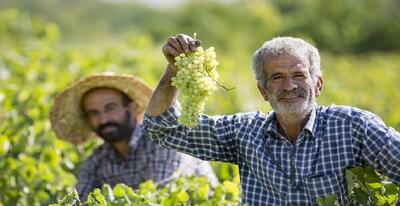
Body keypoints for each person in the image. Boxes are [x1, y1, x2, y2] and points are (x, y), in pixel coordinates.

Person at [143, 34, 400, 205]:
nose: (289, 86)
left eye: (299, 75)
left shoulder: (354, 127)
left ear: (318, 84)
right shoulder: (244, 132)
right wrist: (174, 70)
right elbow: (162, 128)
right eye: (277, 77)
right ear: (263, 91)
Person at [50, 73, 218, 201]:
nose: (103, 120)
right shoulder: (97, 161)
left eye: (110, 108)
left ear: (132, 108)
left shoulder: (163, 141)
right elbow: (78, 200)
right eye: (94, 113)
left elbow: (159, 198)